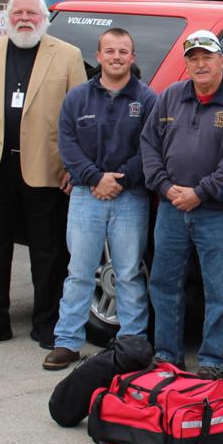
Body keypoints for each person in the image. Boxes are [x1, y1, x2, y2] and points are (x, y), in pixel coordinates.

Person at [0, 0, 86, 349]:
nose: (24, 19)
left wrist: (74, 167)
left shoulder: (68, 56)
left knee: (49, 253)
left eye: (32, 13)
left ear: (43, 19)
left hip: (47, 170)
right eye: (18, 13)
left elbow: (79, 119)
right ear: (8, 17)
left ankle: (46, 323)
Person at [141, 29, 223, 380]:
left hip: (217, 213)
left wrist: (200, 193)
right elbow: (148, 144)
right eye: (193, 58)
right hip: (171, 209)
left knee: (217, 289)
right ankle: (167, 354)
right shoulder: (169, 98)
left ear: (221, 61)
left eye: (207, 56)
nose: (200, 63)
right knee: (164, 283)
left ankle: (212, 359)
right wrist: (165, 187)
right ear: (187, 64)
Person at [45, 28, 156, 371]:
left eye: (124, 51)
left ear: (132, 58)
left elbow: (151, 147)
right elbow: (67, 145)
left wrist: (118, 179)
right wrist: (95, 178)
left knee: (128, 273)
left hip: (129, 197)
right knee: (79, 271)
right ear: (99, 55)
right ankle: (67, 342)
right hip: (85, 196)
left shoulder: (148, 100)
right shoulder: (77, 98)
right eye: (110, 51)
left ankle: (132, 344)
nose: (117, 57)